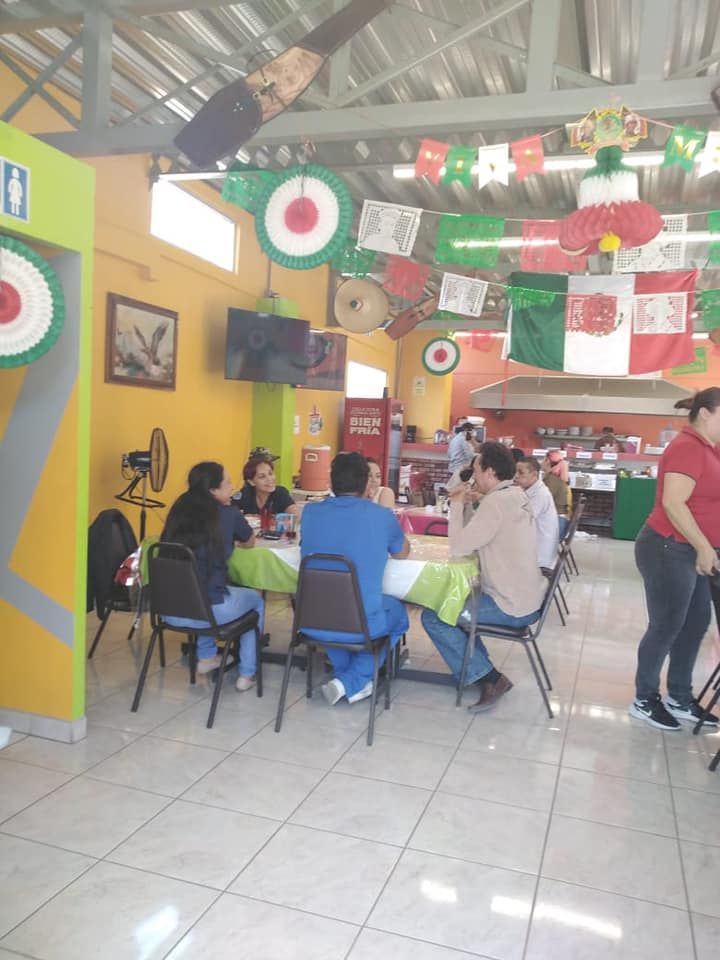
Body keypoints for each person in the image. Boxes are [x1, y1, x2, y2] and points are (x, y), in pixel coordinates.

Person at [421, 443, 546, 712]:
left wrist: (455, 504)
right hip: (529, 598)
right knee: (455, 607)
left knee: (434, 616)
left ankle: (490, 677)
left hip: (510, 607)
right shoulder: (516, 495)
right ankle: (480, 668)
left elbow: (458, 547)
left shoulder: (496, 503)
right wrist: (472, 502)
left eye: (476, 470)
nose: (473, 476)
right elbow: (480, 537)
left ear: (490, 472)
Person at [630, 388, 720, 731]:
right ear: (707, 413)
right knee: (666, 625)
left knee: (695, 624)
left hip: (693, 549)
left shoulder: (710, 449)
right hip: (669, 547)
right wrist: (703, 546)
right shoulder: (686, 448)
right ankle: (644, 699)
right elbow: (673, 503)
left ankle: (680, 696)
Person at [300, 451, 410, 706]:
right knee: (397, 612)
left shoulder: (310, 513)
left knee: (334, 613)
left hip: (311, 619)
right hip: (362, 624)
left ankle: (346, 679)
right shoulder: (381, 516)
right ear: (366, 483)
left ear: (331, 483)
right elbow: (402, 552)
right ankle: (352, 681)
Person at [161, 461, 263, 691]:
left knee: (205, 586)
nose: (232, 486)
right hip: (208, 611)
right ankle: (247, 674)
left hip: (170, 610)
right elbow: (249, 542)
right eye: (227, 483)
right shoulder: (228, 514)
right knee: (255, 600)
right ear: (213, 491)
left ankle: (207, 657)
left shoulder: (179, 509)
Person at [515, 456, 560, 570]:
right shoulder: (530, 490)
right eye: (516, 472)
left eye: (521, 473)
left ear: (534, 474)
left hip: (540, 558)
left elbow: (521, 519)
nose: (516, 476)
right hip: (534, 548)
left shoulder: (540, 494)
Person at [234, 453, 296, 519]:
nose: (269, 479)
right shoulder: (245, 493)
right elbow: (226, 511)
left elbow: (296, 516)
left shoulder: (280, 493)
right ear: (251, 482)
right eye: (262, 477)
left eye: (270, 473)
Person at [542, 451, 571, 537]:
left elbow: (544, 502)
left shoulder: (552, 479)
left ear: (547, 461)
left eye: (543, 459)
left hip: (555, 526)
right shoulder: (557, 478)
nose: (541, 462)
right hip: (559, 522)